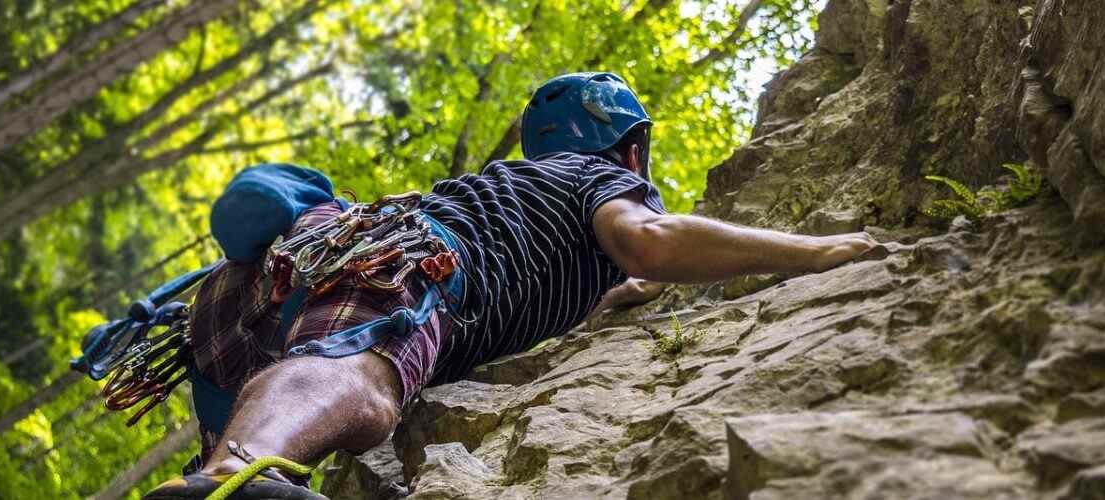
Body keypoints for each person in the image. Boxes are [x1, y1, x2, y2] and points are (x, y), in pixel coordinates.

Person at [144, 72, 877, 499]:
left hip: (260, 289)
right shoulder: (598, 180)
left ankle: (213, 467)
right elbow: (647, 243)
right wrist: (815, 251)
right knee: (364, 386)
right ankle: (232, 476)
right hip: (404, 264)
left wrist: (626, 292)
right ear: (628, 150)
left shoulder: (525, 206)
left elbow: (614, 283)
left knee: (268, 377)